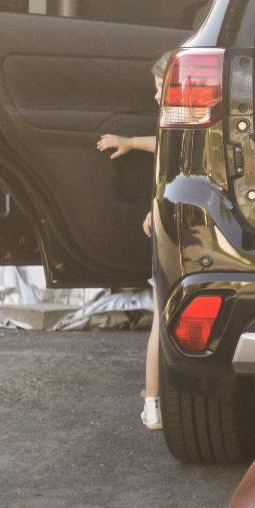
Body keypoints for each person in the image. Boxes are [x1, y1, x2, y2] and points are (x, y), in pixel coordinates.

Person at [95, 132, 163, 431]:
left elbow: (170, 158)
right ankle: (154, 394)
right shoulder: (186, 128)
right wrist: (131, 142)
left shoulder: (179, 120)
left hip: (166, 219)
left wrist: (156, 206)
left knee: (160, 323)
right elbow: (163, 145)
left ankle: (152, 405)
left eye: (159, 87)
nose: (156, 95)